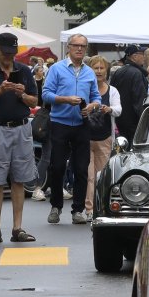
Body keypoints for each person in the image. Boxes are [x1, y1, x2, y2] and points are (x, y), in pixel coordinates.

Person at [0, 32, 41, 244]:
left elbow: (34, 102)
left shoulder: (24, 70)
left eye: (12, 53)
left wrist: (21, 94)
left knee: (19, 179)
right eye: (5, 53)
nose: (8, 57)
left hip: (21, 128)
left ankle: (17, 228)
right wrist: (0, 90)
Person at [42, 33, 103, 225]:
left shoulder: (89, 72)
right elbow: (45, 94)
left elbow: (97, 97)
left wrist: (91, 106)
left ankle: (78, 210)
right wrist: (65, 99)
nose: (79, 49)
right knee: (58, 166)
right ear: (68, 47)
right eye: (76, 45)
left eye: (83, 46)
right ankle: (56, 206)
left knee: (82, 169)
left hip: (81, 124)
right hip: (59, 122)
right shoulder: (57, 68)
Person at [84, 55, 122, 219]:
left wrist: (110, 109)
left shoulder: (112, 90)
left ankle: (101, 207)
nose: (98, 71)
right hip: (85, 138)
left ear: (106, 71)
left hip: (105, 139)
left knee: (101, 176)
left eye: (101, 68)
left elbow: (119, 109)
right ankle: (89, 209)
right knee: (89, 176)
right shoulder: (85, 88)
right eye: (95, 68)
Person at [110, 45, 149, 140]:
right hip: (135, 123)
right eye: (142, 54)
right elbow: (140, 101)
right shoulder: (137, 73)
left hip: (120, 121)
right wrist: (145, 122)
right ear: (134, 56)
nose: (144, 57)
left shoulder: (118, 71)